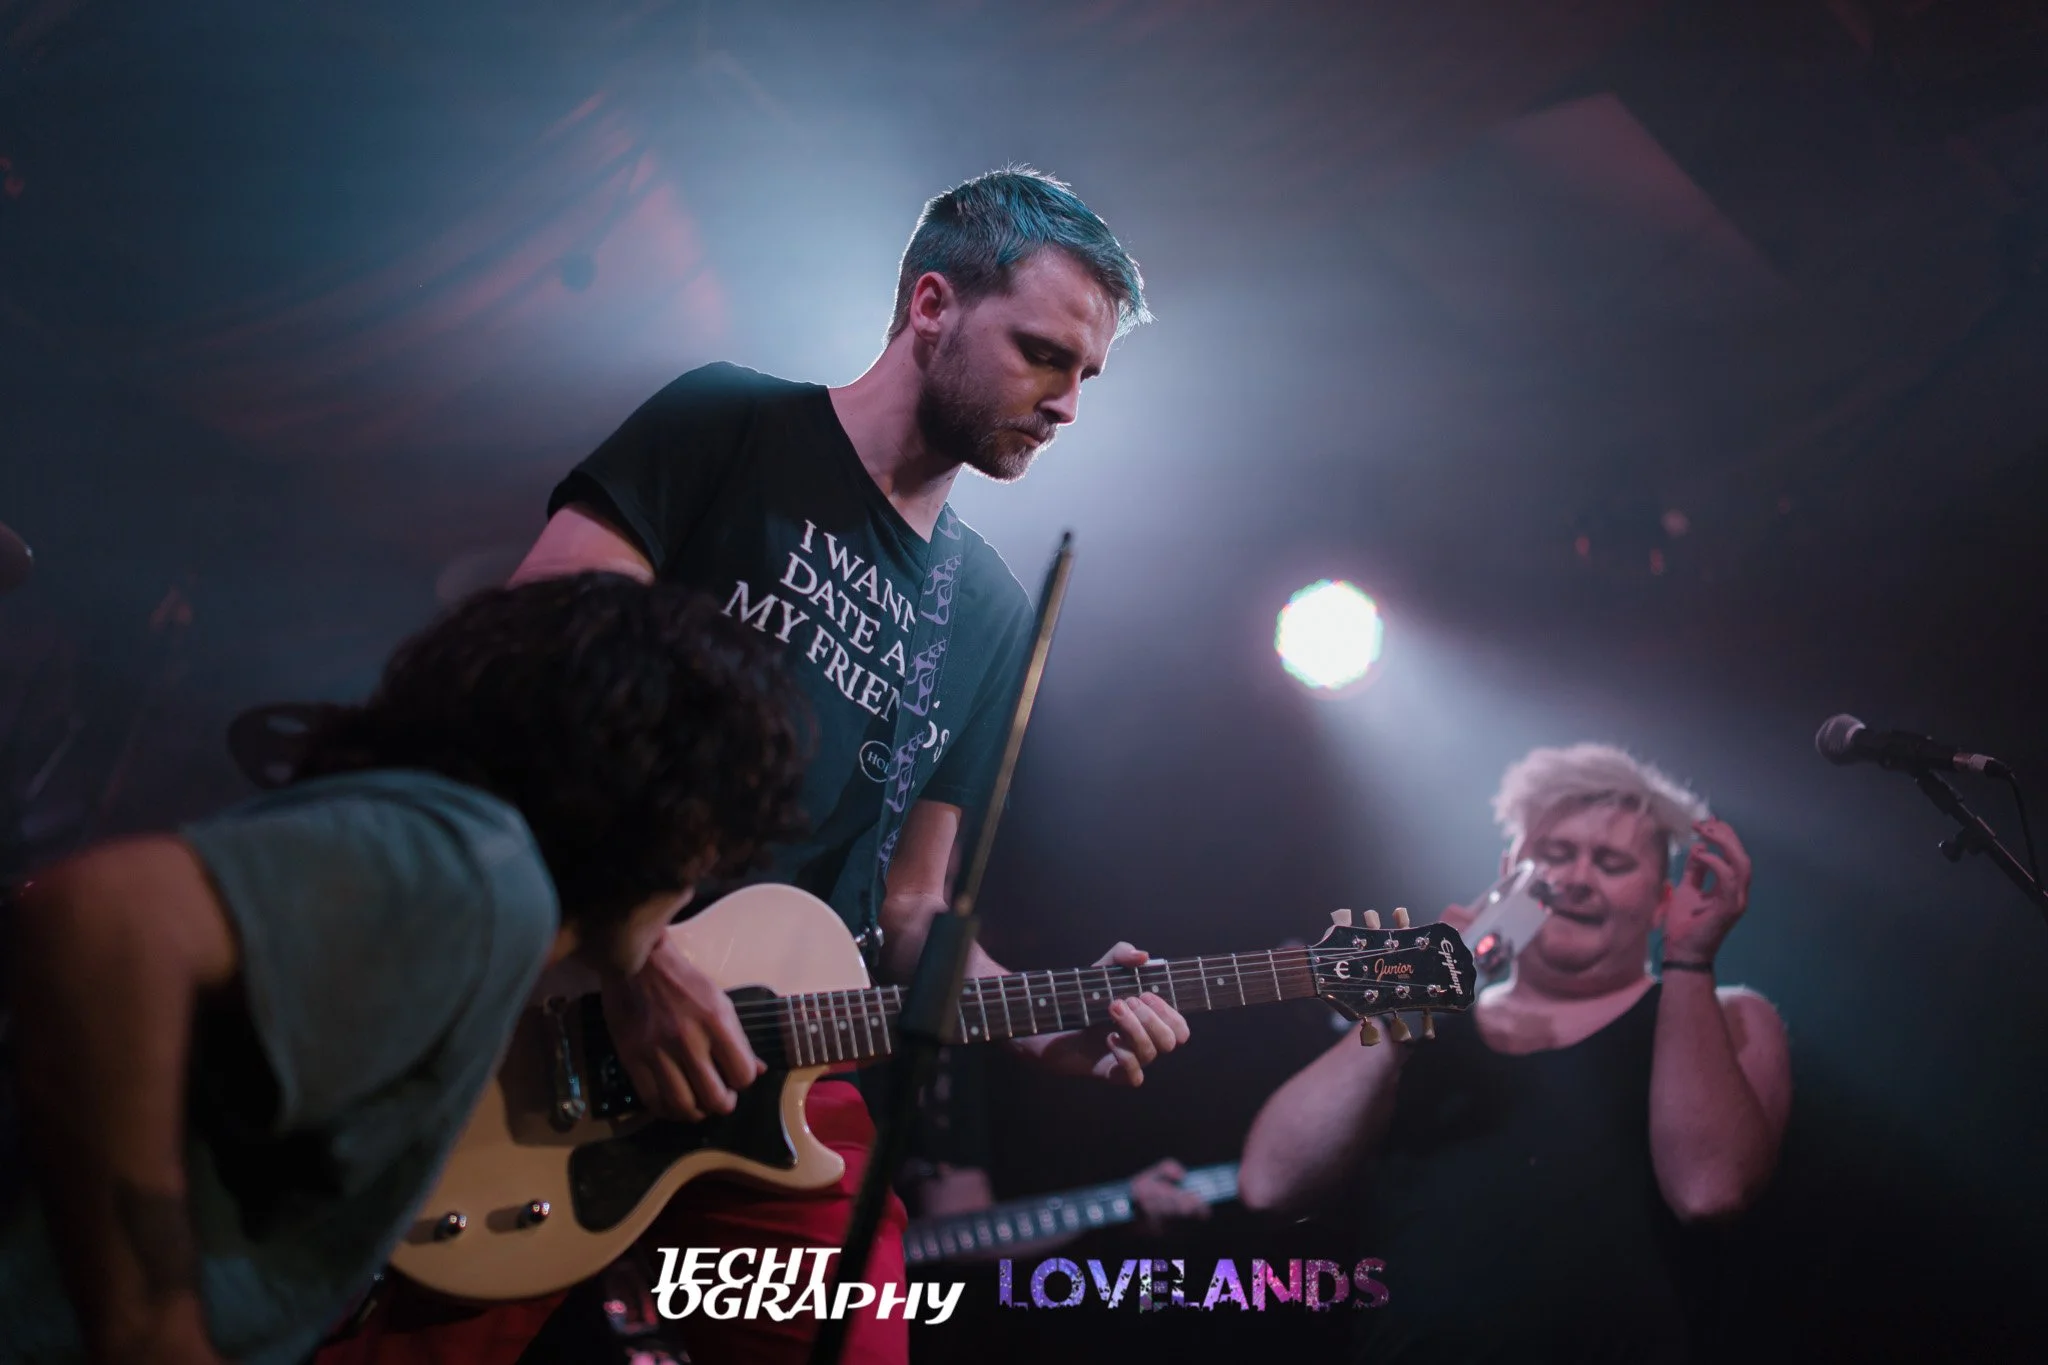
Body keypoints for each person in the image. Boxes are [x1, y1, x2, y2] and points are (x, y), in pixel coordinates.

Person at [465, 166, 1188, 1365]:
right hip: (547, 995)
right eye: (1042, 355)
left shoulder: (989, 612)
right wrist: (630, 951)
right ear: (930, 305)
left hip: (773, 1080)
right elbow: (514, 668)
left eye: (1086, 376)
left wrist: (1039, 1027)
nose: (1066, 404)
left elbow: (909, 908)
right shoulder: (730, 422)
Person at [0, 575, 809, 1365]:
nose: (704, 871)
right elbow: (99, 921)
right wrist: (153, 1331)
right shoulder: (489, 878)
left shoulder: (465, 863)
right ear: (662, 800)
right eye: (713, 829)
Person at [1240, 743, 1793, 1363]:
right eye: (1554, 855)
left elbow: (1709, 1191)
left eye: (1611, 862)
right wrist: (1412, 1002)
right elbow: (1270, 1185)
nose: (1576, 879)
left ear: (1663, 903)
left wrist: (1690, 960)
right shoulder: (1427, 1029)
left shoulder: (1728, 1017)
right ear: (1508, 874)